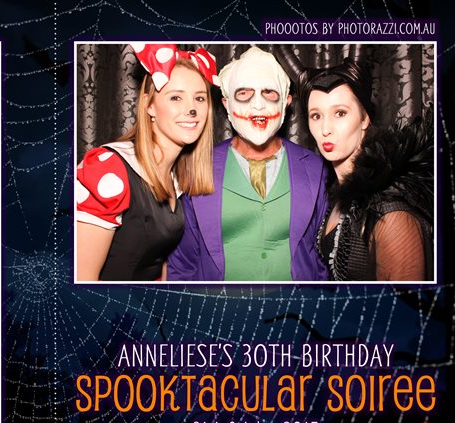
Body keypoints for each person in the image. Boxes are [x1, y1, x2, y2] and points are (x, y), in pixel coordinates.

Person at [167, 46, 328, 282]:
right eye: (244, 93)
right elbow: (182, 264)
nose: (258, 105)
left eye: (269, 93)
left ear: (286, 102)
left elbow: (324, 257)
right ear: (226, 104)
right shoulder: (197, 167)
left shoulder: (316, 168)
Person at [75, 44, 218, 281]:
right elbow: (82, 281)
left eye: (199, 98)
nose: (192, 109)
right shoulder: (108, 169)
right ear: (149, 105)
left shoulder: (174, 178)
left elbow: (158, 261)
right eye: (176, 97)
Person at [299, 60, 433, 281]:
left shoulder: (389, 212)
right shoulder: (332, 192)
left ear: (364, 119)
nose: (325, 129)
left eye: (340, 113)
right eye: (316, 116)